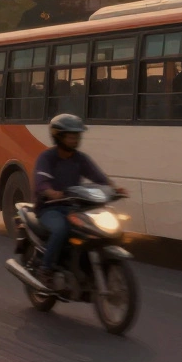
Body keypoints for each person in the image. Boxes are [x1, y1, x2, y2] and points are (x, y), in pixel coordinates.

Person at [32, 114, 125, 289]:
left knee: (95, 229)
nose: (75, 139)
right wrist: (51, 192)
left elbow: (98, 177)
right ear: (58, 136)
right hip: (49, 209)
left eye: (77, 136)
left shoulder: (80, 158)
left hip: (74, 208)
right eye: (71, 136)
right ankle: (46, 269)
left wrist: (114, 189)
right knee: (61, 229)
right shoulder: (47, 157)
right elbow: (41, 182)